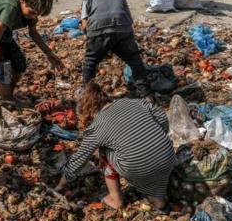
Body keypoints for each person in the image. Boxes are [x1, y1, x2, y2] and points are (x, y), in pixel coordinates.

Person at [54, 82, 175, 210]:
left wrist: (60, 186)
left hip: (141, 169)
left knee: (104, 151)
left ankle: (115, 198)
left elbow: (80, 158)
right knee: (156, 184)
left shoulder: (96, 127)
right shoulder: (132, 101)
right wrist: (154, 139)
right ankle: (158, 195)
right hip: (168, 156)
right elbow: (162, 118)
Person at [81, 0, 148, 97]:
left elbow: (84, 24)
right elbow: (128, 16)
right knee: (134, 59)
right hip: (123, 26)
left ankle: (87, 95)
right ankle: (145, 93)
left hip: (98, 27)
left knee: (90, 62)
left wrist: (94, 44)